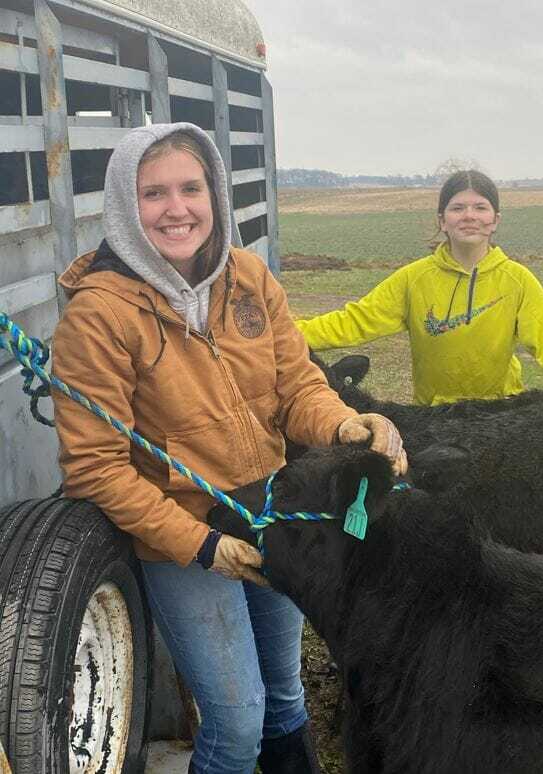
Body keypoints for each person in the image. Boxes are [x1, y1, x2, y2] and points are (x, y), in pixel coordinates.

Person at [51, 122, 407, 774]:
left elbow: (296, 385)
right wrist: (204, 546)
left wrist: (342, 425)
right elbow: (94, 467)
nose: (175, 207)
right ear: (125, 206)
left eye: (190, 187)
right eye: (152, 192)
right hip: (183, 538)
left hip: (269, 519)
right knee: (237, 721)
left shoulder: (246, 278)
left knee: (283, 696)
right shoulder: (97, 317)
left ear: (214, 193)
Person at [296, 170, 543, 446]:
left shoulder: (517, 281)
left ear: (495, 220)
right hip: (433, 420)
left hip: (500, 416)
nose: (469, 216)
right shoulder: (413, 279)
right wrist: (283, 332)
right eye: (457, 207)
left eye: (480, 207)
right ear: (442, 221)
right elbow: (352, 322)